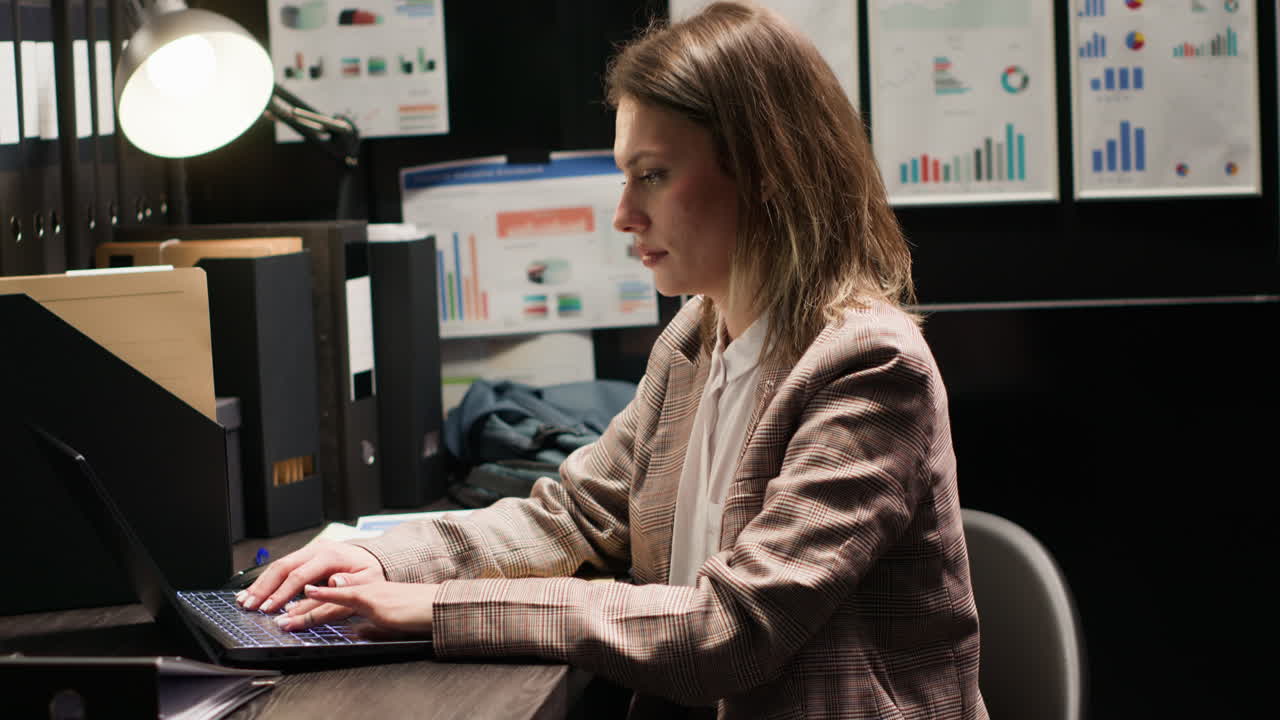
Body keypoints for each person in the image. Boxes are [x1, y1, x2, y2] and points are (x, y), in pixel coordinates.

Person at [239, 3, 987, 718]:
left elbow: (730, 630)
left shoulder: (868, 367)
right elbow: (579, 512)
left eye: (653, 174)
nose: (625, 214)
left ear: (766, 173)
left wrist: (443, 607)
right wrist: (387, 561)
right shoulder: (699, 335)